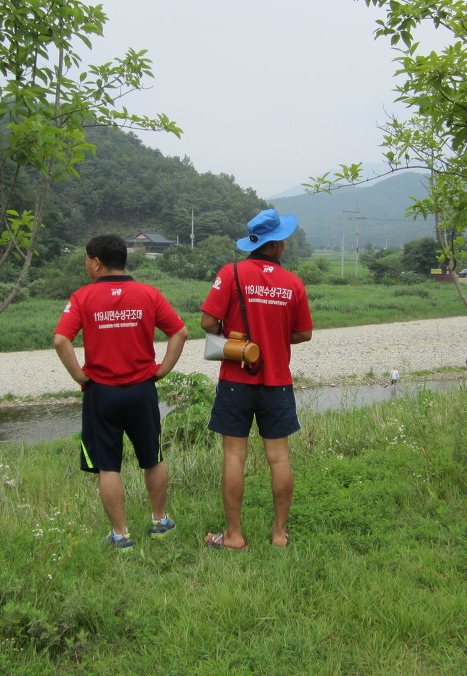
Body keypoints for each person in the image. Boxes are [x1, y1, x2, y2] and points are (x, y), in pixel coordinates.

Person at [54, 235, 189, 551]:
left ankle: (121, 535)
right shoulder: (149, 293)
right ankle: (159, 521)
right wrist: (162, 370)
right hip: (141, 390)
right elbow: (180, 332)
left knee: (108, 465)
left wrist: (80, 376)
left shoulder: (82, 297)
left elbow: (61, 340)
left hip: (102, 393)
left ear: (96, 262)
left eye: (86, 260)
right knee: (152, 458)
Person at [200, 208, 313, 550]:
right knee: (279, 458)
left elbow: (207, 323)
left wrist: (234, 337)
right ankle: (279, 534)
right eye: (284, 240)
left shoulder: (231, 273)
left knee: (234, 456)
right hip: (276, 381)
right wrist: (275, 336)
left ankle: (234, 536)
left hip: (236, 379)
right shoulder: (293, 283)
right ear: (275, 244)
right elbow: (304, 333)